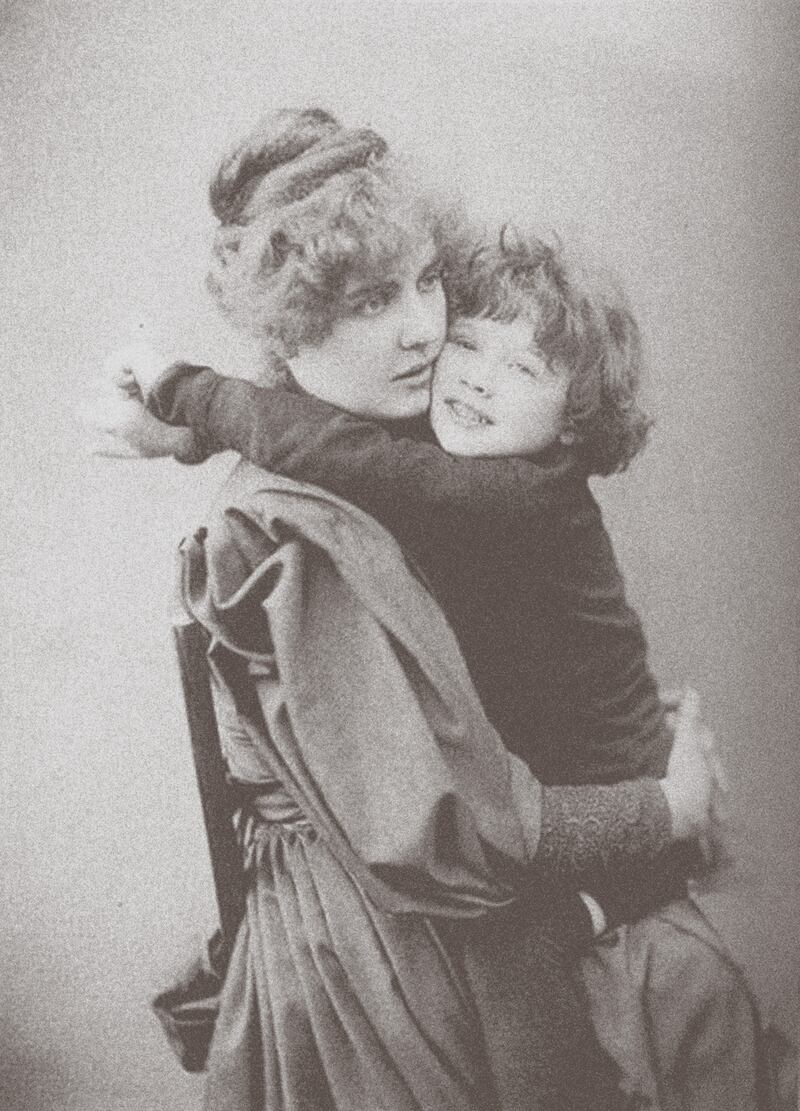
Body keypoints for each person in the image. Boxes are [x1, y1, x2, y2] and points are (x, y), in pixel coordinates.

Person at [84, 108, 735, 1111]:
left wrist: (187, 419)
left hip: (546, 811)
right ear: (291, 327)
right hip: (400, 940)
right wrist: (667, 808)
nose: (425, 331)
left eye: (427, 280)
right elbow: (449, 837)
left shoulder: (458, 466)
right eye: (368, 301)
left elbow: (318, 437)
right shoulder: (315, 528)